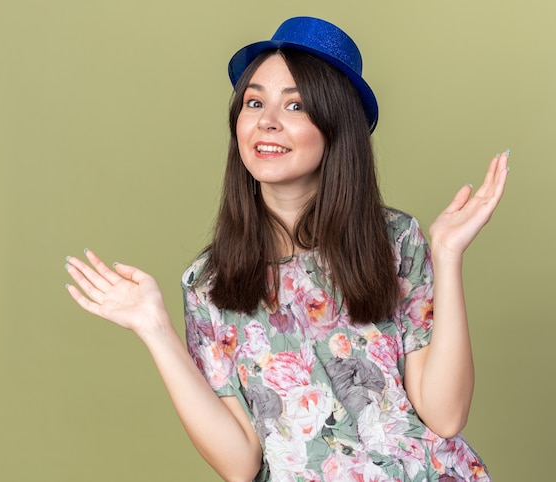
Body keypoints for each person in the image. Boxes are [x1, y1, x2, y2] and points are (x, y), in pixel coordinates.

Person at [65, 16, 508, 482]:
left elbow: (446, 415)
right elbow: (241, 464)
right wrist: (155, 329)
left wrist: (447, 253)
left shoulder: (395, 240)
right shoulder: (209, 284)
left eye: (295, 106)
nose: (267, 122)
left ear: (335, 127)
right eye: (253, 102)